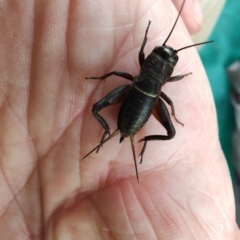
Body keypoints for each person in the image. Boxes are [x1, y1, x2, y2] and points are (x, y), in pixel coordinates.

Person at [0, 0, 239, 239]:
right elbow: (165, 94)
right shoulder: (163, 76)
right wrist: (172, 111)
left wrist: (172, 113)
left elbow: (140, 64)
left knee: (165, 129)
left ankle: (122, 135)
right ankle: (117, 134)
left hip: (138, 97)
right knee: (104, 109)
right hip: (148, 101)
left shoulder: (144, 62)